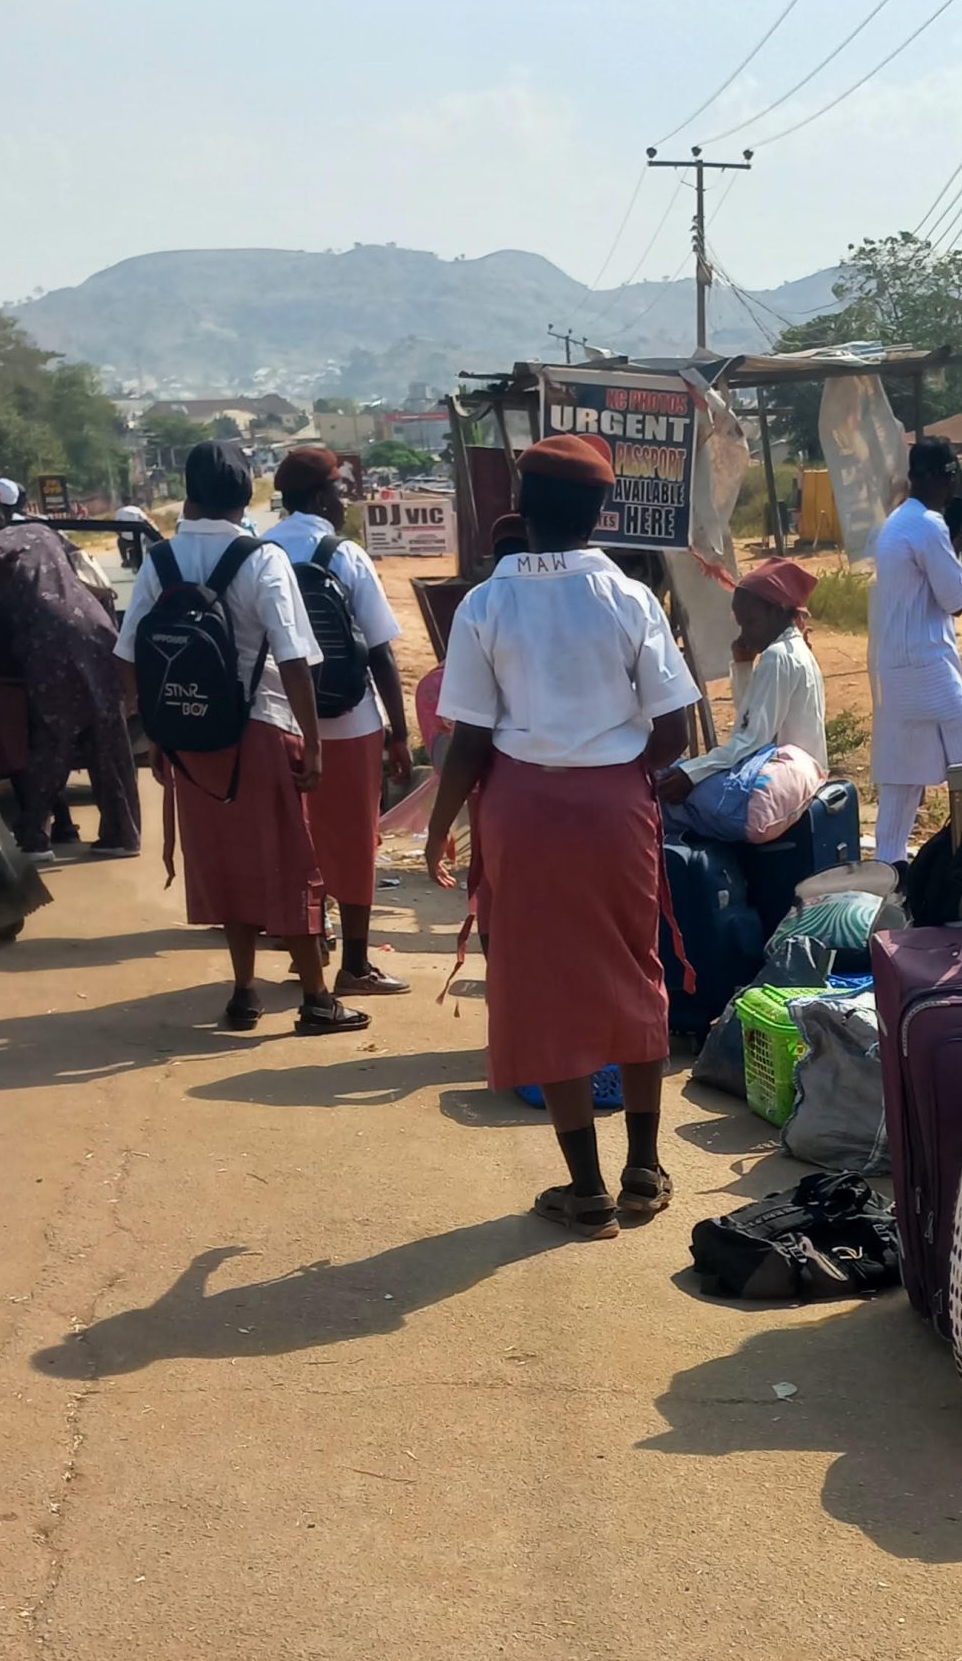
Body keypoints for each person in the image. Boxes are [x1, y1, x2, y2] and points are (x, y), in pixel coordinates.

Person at [422, 434, 698, 1238]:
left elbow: (468, 743)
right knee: (634, 970)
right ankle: (644, 1171)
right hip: (617, 809)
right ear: (600, 511)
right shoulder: (630, 599)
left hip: (521, 811)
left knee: (544, 990)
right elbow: (675, 730)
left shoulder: (484, 605)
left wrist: (441, 832)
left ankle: (586, 1193)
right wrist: (618, 778)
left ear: (521, 506)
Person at [114, 437, 361, 1034]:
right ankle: (317, 999)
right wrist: (316, 743)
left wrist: (158, 733)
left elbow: (128, 659)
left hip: (193, 739)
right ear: (245, 494)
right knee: (290, 863)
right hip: (262, 730)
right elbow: (297, 659)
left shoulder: (160, 561)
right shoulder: (263, 559)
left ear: (190, 494)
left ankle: (244, 990)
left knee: (224, 864)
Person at [262, 446, 414, 997]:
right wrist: (400, 734)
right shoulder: (345, 555)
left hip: (281, 722)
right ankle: (355, 964)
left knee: (296, 838)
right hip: (350, 722)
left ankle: (308, 947)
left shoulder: (260, 551)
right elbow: (380, 651)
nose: (345, 500)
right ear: (322, 496)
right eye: (339, 490)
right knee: (353, 840)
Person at [0, 483, 141, 857]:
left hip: (48, 648)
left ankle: (34, 837)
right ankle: (123, 835)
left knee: (51, 741)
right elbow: (85, 571)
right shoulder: (40, 530)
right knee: (109, 739)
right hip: (99, 634)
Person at [867, 438, 962, 863]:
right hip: (928, 667)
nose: (954, 487)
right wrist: (957, 548)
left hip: (897, 669)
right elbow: (955, 599)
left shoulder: (898, 521)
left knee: (901, 786)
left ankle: (887, 879)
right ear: (937, 477)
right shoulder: (928, 526)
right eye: (952, 477)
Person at [653, 558, 828, 840]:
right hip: (797, 773)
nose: (744, 633)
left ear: (775, 611)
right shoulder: (792, 649)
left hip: (779, 778)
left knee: (663, 790)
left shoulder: (778, 656)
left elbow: (751, 740)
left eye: (750, 622)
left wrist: (691, 774)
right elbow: (751, 718)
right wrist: (743, 665)